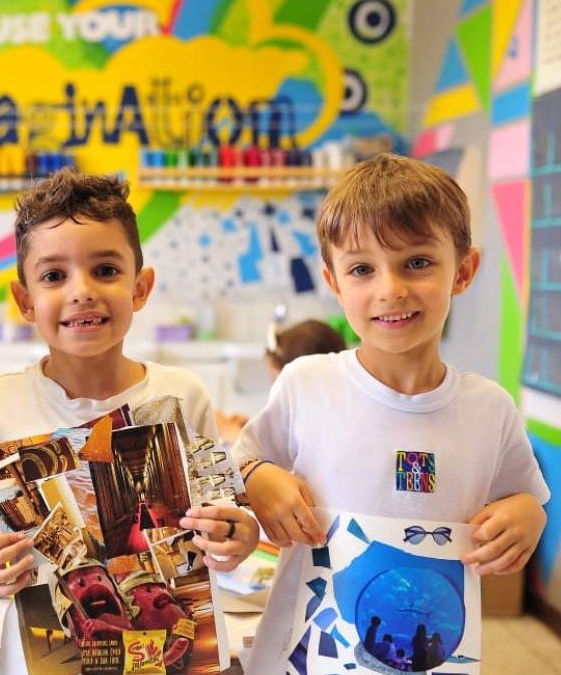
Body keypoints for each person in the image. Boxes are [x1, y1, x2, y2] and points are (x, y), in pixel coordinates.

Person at [234, 154, 549, 674]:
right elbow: (239, 465)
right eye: (362, 269)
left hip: (428, 653)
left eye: (417, 262)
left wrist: (528, 515)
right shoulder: (306, 383)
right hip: (306, 655)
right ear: (334, 282)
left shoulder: (488, 408)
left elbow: (525, 496)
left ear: (463, 271)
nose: (391, 289)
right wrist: (259, 475)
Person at [0, 168, 260, 675]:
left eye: (105, 270)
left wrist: (235, 538)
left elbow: (229, 523)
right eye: (54, 276)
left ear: (140, 288)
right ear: (24, 300)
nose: (82, 291)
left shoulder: (182, 395)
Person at [215, 318, 347, 442]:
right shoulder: (331, 414)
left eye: (276, 381)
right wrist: (252, 430)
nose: (275, 391)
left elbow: (269, 463)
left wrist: (229, 432)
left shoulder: (318, 428)